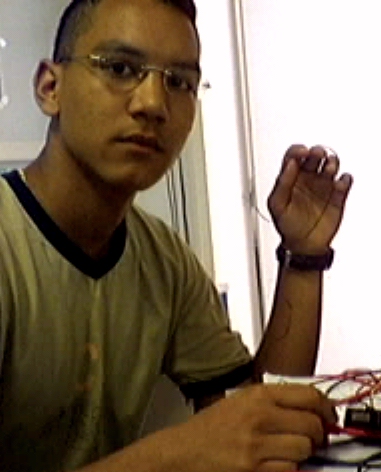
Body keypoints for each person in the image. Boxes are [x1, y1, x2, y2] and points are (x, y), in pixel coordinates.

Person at [0, 0, 353, 470]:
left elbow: (257, 414)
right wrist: (179, 454)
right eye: (120, 68)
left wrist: (303, 256)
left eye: (179, 82)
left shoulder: (162, 259)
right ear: (50, 87)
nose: (153, 104)